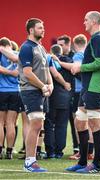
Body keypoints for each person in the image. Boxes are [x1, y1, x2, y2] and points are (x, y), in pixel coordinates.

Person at [65, 11, 100, 173]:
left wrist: (80, 67)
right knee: (80, 121)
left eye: (86, 19)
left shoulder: (99, 38)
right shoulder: (99, 38)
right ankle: (83, 162)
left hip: (94, 88)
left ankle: (96, 165)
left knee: (94, 123)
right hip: (88, 88)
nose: (83, 22)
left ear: (93, 21)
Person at [19, 18, 53, 172]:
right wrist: (43, 86)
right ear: (31, 30)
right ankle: (29, 162)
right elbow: (27, 73)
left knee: (39, 126)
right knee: (36, 124)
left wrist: (50, 84)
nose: (43, 29)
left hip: (42, 91)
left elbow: (47, 68)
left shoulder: (41, 47)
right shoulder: (26, 47)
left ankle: (32, 160)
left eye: (43, 27)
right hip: (31, 91)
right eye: (40, 27)